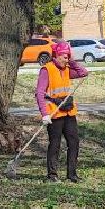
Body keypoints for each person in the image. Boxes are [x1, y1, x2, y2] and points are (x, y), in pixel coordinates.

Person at [36, 40, 88, 183]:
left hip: (68, 112)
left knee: (74, 142)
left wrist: (72, 62)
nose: (67, 59)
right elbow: (39, 93)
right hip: (54, 113)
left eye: (68, 56)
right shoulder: (47, 70)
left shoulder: (67, 69)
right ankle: (52, 175)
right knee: (55, 144)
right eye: (65, 56)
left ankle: (72, 175)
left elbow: (83, 72)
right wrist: (44, 114)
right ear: (57, 55)